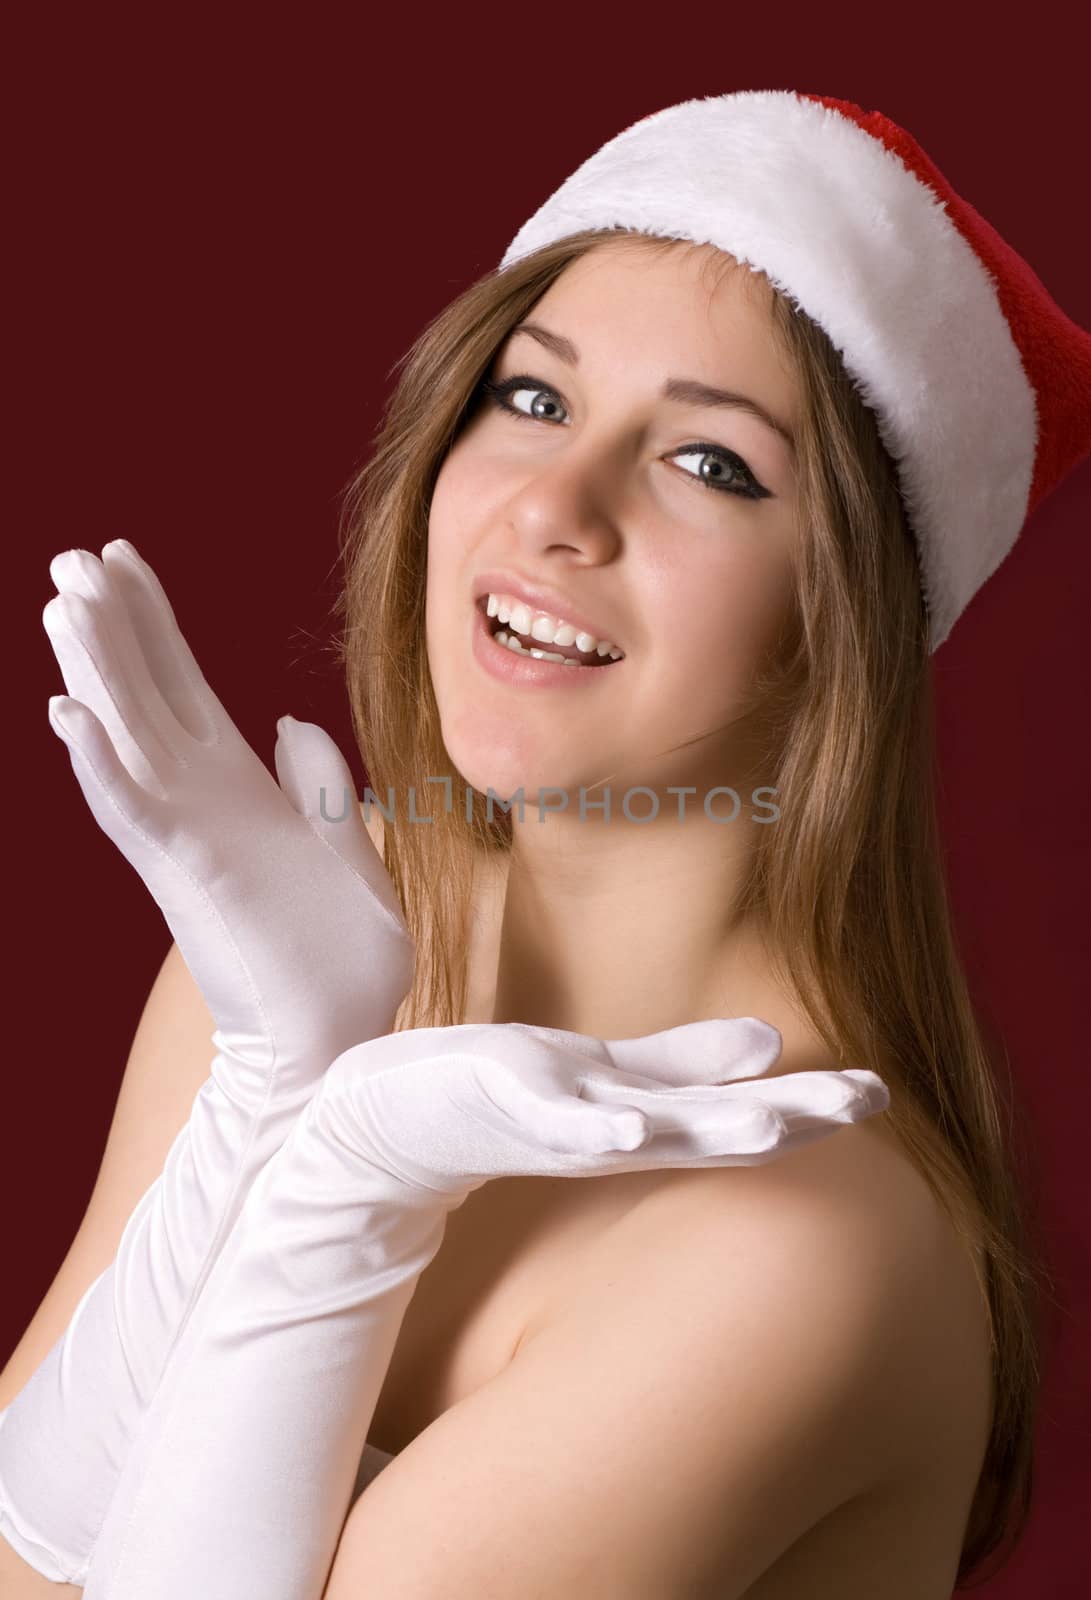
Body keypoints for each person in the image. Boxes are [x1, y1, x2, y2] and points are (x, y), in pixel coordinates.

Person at [2, 87, 1088, 1597]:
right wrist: (276, 1079)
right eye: (533, 398)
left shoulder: (794, 1241)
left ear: (843, 621)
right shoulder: (281, 965)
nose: (555, 510)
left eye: (712, 465)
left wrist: (329, 1185)